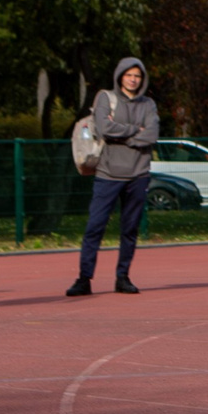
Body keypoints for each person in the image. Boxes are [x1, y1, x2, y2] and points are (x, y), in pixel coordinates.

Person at [68, 59, 157, 297]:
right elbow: (104, 129)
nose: (133, 79)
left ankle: (123, 277)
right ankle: (84, 279)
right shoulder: (106, 98)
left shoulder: (148, 104)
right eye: (129, 75)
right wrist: (134, 131)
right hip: (108, 174)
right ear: (120, 76)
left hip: (138, 174)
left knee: (130, 229)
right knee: (94, 227)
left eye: (137, 76)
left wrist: (122, 134)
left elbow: (151, 135)